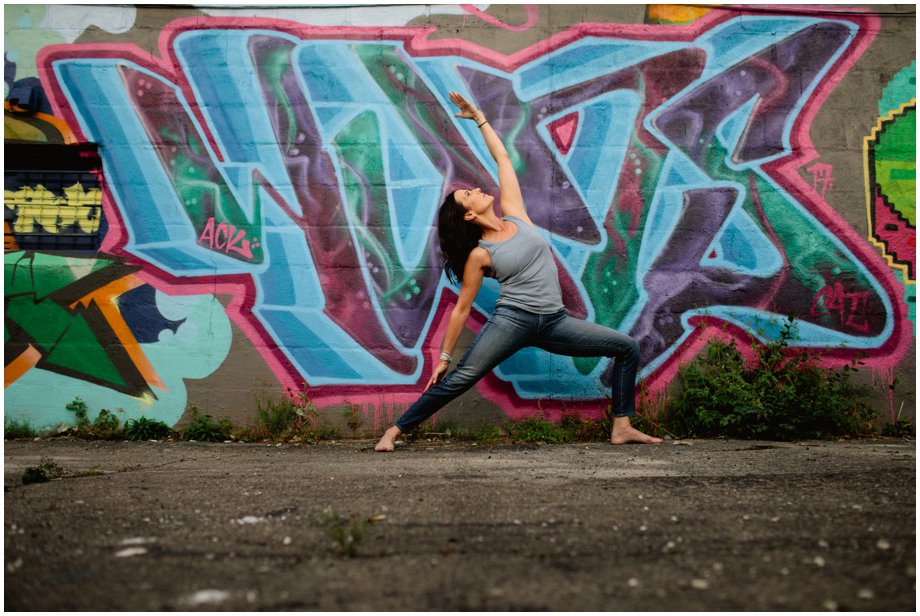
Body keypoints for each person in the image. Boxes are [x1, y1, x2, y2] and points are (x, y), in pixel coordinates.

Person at [375, 91, 661, 452]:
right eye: (469, 195)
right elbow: (462, 308)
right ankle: (395, 431)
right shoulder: (480, 255)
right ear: (468, 215)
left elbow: (502, 158)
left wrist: (479, 117)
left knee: (627, 347)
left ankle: (621, 427)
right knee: (462, 377)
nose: (477, 190)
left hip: (554, 321)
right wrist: (444, 358)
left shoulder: (516, 214)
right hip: (513, 321)